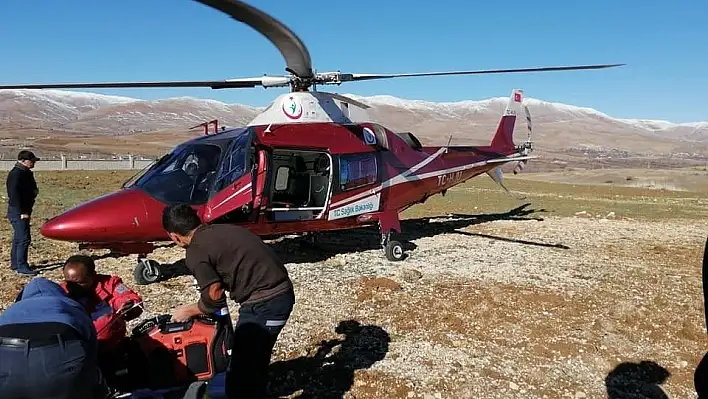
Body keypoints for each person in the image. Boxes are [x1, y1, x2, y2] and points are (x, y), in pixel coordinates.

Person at [162, 203, 295, 399]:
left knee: (241, 373)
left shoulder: (196, 251)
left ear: (174, 236)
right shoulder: (223, 229)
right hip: (276, 292)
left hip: (268, 302)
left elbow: (214, 295)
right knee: (252, 358)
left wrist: (190, 310)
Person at [0, 277, 108, 398]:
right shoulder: (69, 304)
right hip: (59, 360)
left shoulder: (10, 310)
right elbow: (91, 345)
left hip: (6, 362)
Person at [59, 254, 144, 390]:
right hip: (77, 352)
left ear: (93, 275)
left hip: (110, 348)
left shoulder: (110, 284)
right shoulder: (61, 292)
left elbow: (126, 297)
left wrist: (127, 305)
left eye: (81, 282)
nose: (74, 287)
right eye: (69, 282)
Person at [5, 150, 40, 276]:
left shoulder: (25, 173)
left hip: (22, 209)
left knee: (18, 238)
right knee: (24, 238)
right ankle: (22, 266)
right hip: (18, 211)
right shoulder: (16, 174)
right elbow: (14, 195)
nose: (34, 163)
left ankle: (15, 264)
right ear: (23, 161)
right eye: (32, 161)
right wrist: (23, 211)